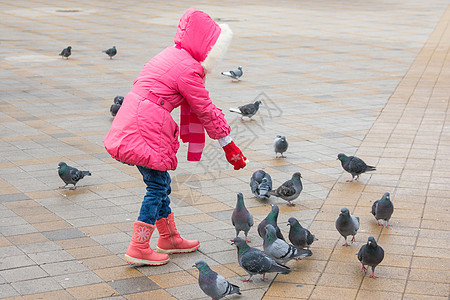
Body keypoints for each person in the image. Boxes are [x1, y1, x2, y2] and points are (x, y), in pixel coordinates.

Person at [104, 8, 247, 266]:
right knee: (156, 187)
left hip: (134, 118)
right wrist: (229, 145)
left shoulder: (171, 55)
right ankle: (138, 246)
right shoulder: (188, 69)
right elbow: (206, 109)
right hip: (145, 125)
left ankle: (169, 238)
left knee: (161, 183)